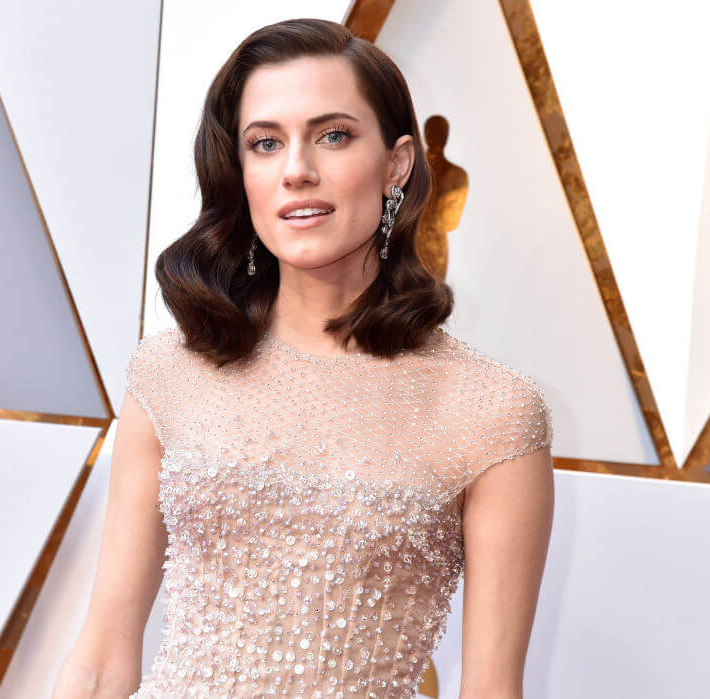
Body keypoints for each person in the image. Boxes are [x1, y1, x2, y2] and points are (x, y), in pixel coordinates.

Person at [53, 17, 553, 699]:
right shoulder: (171, 374)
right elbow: (102, 658)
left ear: (397, 164)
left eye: (333, 135)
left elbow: (492, 689)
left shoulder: (492, 414)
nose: (296, 171)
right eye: (265, 143)